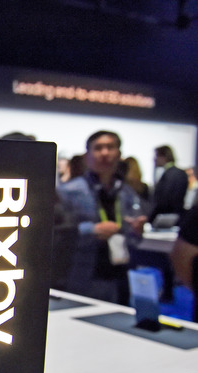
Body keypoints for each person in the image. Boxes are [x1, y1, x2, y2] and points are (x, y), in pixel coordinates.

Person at [56, 130, 147, 305]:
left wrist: (136, 230)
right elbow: (56, 234)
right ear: (87, 155)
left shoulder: (126, 192)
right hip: (82, 276)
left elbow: (133, 237)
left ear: (119, 154)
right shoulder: (69, 191)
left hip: (120, 275)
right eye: (98, 148)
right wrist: (92, 230)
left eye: (110, 148)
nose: (105, 153)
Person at [150, 145, 188, 222]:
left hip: (165, 218)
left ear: (163, 157)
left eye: (156, 156)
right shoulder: (181, 173)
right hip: (177, 217)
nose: (154, 159)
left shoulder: (168, 175)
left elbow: (164, 200)